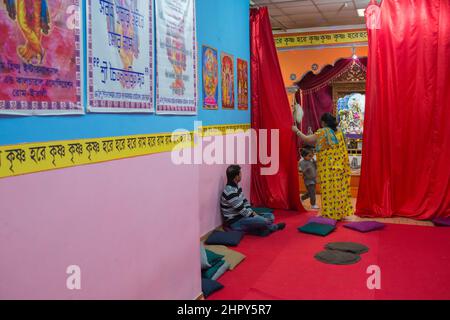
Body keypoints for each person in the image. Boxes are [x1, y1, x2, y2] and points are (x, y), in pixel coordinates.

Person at [292, 113, 353, 220]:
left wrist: (296, 130)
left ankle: (331, 214)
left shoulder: (324, 132)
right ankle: (340, 213)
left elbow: (307, 139)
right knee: (339, 190)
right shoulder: (339, 132)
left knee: (330, 191)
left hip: (328, 168)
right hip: (340, 167)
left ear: (324, 122)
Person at [220, 165, 286, 235]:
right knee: (263, 221)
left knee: (270, 216)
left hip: (243, 217)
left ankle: (259, 229)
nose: (241, 175)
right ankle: (273, 227)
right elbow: (242, 210)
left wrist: (253, 213)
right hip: (236, 222)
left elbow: (245, 202)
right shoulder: (230, 191)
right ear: (236, 177)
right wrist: (255, 216)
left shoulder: (237, 187)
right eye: (240, 173)